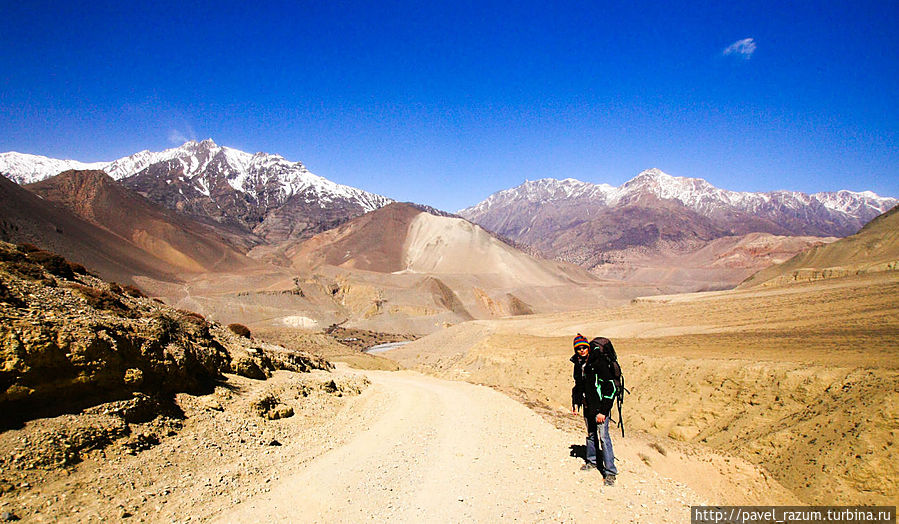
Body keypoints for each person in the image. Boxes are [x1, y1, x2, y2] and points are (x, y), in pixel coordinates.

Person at [570, 333, 619, 486]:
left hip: (599, 408)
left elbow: (610, 388)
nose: (582, 350)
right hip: (587, 406)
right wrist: (576, 402)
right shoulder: (579, 364)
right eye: (579, 348)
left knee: (604, 438)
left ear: (588, 347)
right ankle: (592, 461)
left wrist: (603, 411)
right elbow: (578, 385)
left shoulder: (598, 362)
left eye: (584, 347)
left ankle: (610, 471)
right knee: (591, 434)